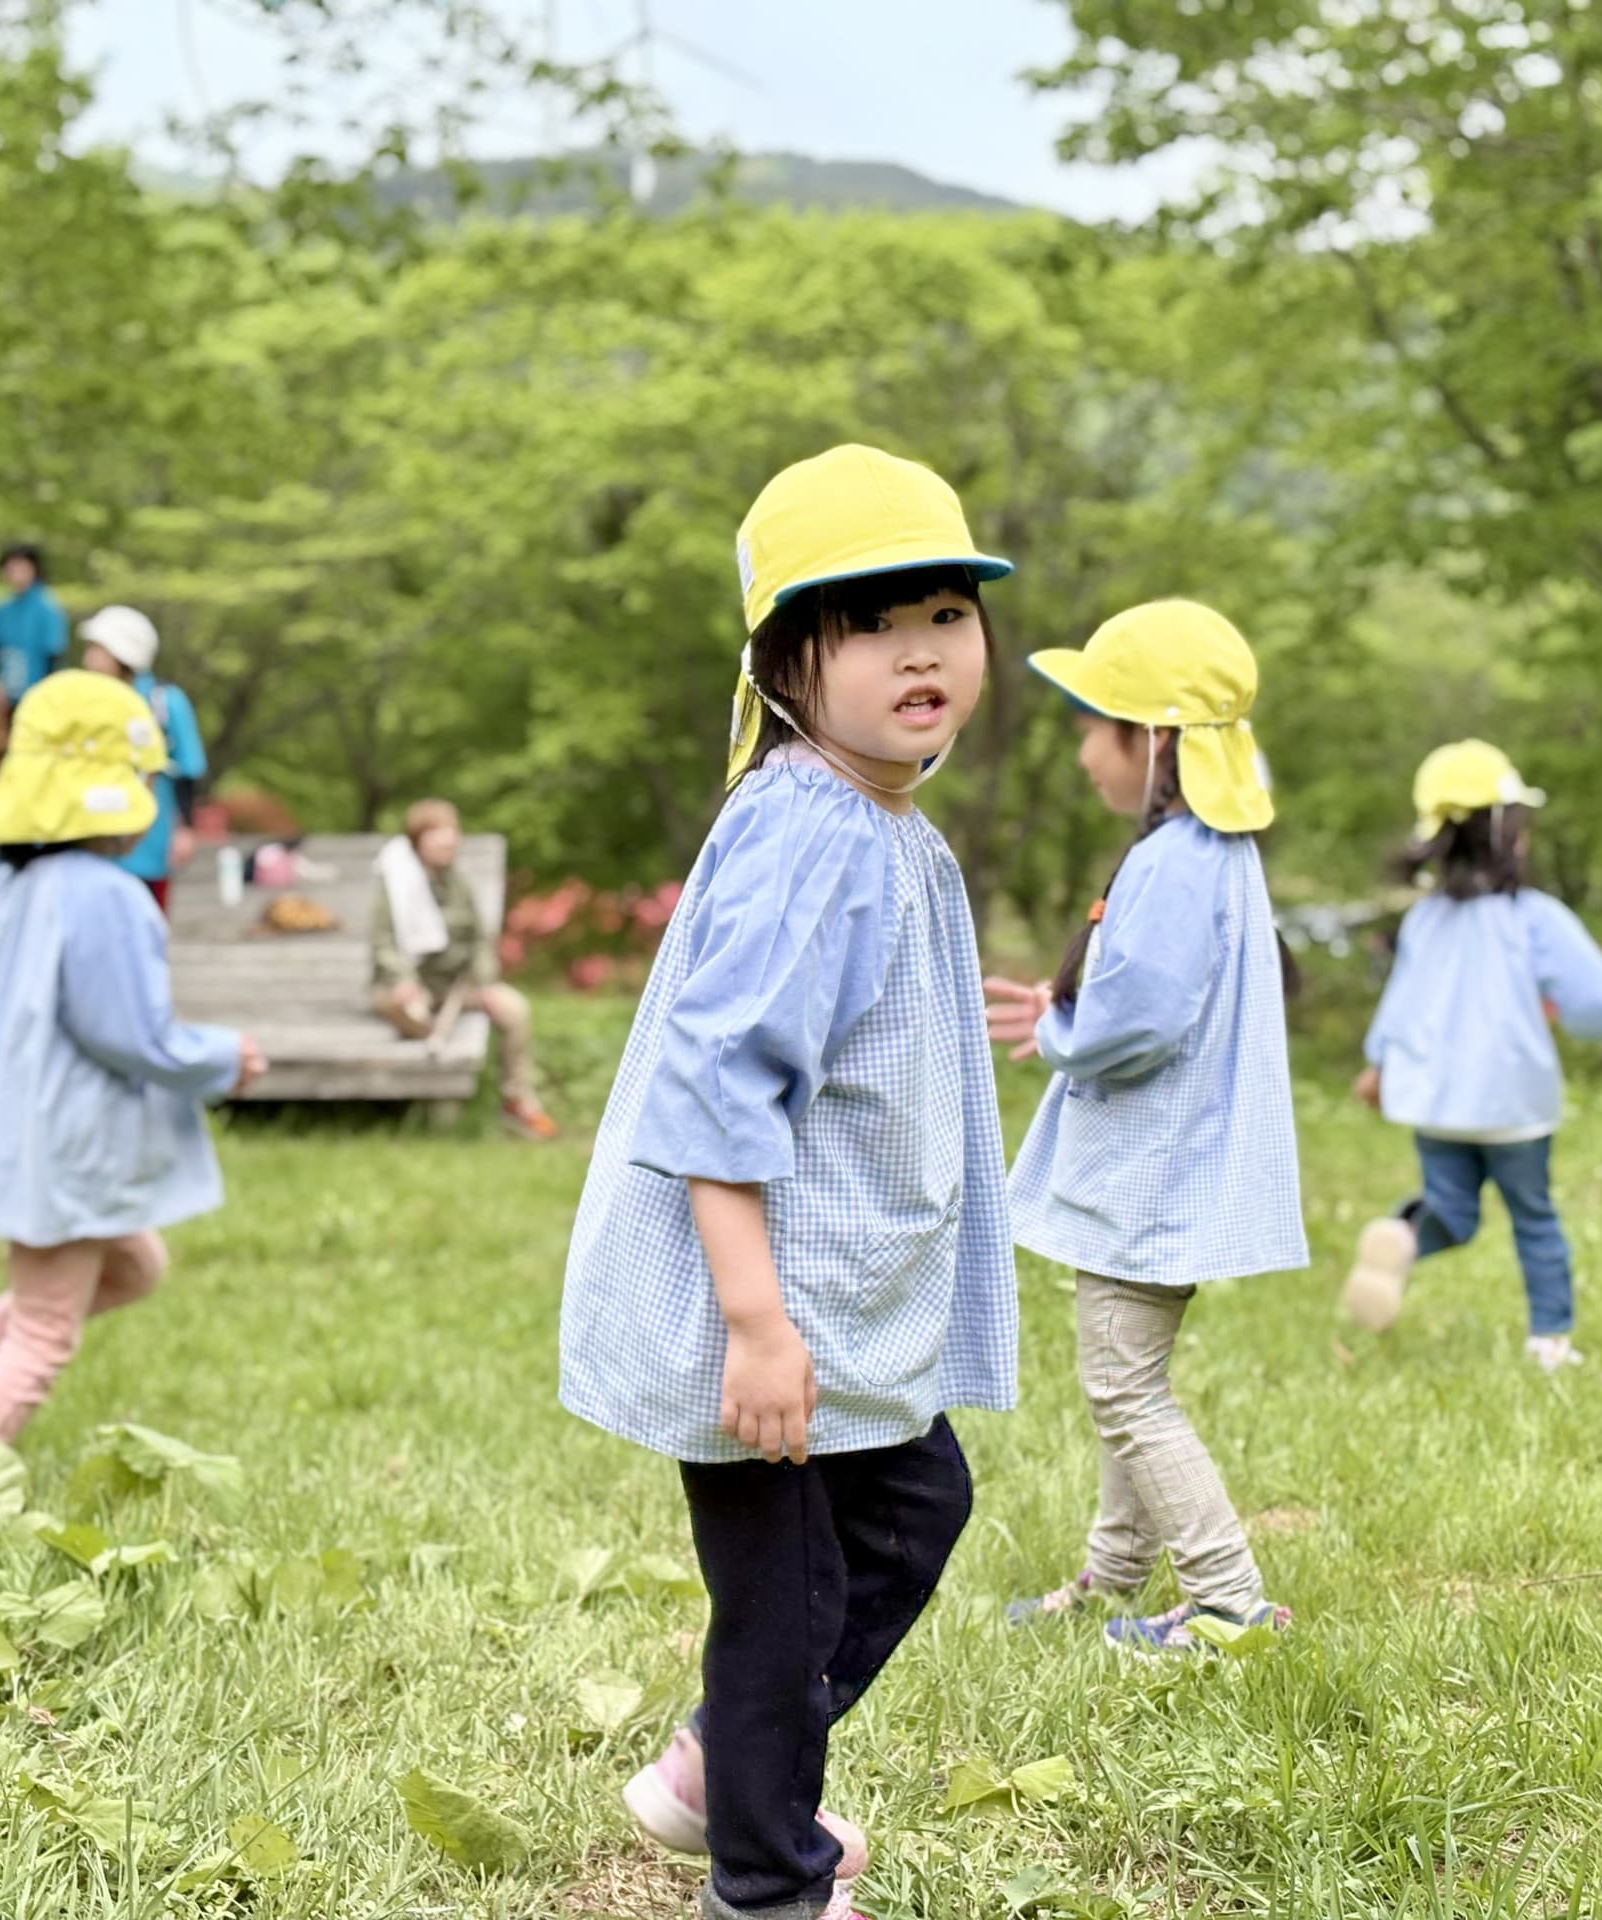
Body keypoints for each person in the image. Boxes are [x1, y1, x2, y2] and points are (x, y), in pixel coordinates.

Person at [560, 446, 1019, 1920]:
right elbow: (718, 1098)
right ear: (782, 662)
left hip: (833, 1304)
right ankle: (768, 1881)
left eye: (946, 613)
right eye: (872, 622)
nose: (921, 651)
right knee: (786, 1608)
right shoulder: (811, 835)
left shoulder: (874, 821)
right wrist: (756, 1327)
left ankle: (714, 1773)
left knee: (916, 1504)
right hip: (773, 1309)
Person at [986, 600, 1306, 1656]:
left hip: (1149, 1173)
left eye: (1096, 724)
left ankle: (1227, 1603)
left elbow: (1142, 1016)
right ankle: (1116, 1572)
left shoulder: (1174, 858)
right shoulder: (1211, 851)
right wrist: (1065, 1014)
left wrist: (1063, 1031)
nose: (1083, 752)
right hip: (1166, 1170)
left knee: (1123, 1388)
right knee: (1131, 1380)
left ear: (1156, 741)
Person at [0, 670, 264, 1442]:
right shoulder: (108, 897)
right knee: (45, 1337)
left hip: (34, 1144)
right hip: (69, 1150)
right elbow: (132, 1034)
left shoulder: (9, 887)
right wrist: (225, 1058)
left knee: (135, 1266)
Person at [1341, 740, 1602, 1370]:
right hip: (1512, 1101)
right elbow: (1589, 997)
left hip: (1437, 1102)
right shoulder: (1532, 917)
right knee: (1534, 1219)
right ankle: (1549, 1342)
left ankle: (1404, 1236)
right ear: (1508, 834)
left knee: (1453, 1213)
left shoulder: (1423, 922)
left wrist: (1380, 1065)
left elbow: (1401, 1005)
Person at [371, 798, 557, 1140]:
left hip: (456, 985)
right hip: (407, 987)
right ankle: (424, 1109)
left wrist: (485, 983)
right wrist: (405, 982)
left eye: (451, 834)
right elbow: (382, 944)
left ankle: (516, 1101)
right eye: (437, 835)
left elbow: (479, 938)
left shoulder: (458, 881)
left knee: (515, 1009)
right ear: (418, 840)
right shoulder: (397, 882)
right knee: (412, 1014)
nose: (447, 842)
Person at [74, 605, 206, 914]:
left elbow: (188, 768)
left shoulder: (165, 702)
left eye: (97, 649)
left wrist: (185, 829)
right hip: (93, 837)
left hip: (150, 837)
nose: (88, 659)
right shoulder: (83, 701)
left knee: (147, 924)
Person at [0, 541, 68, 714]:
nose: (15, 573)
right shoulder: (1, 609)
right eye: (10, 567)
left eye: (21, 566)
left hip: (38, 696)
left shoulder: (47, 607)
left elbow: (55, 654)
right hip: (7, 694)